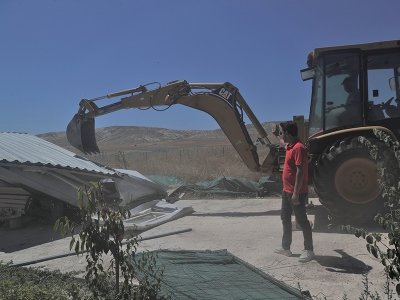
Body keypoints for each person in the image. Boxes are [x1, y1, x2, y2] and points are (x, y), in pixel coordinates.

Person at [272, 121, 314, 263]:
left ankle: (309, 250)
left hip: (297, 192)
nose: (282, 135)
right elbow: (283, 143)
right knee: (285, 218)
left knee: (302, 221)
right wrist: (276, 135)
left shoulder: (299, 148)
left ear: (288, 133)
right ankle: (286, 248)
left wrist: (296, 193)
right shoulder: (290, 146)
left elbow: (300, 171)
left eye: (283, 133)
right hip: (286, 191)